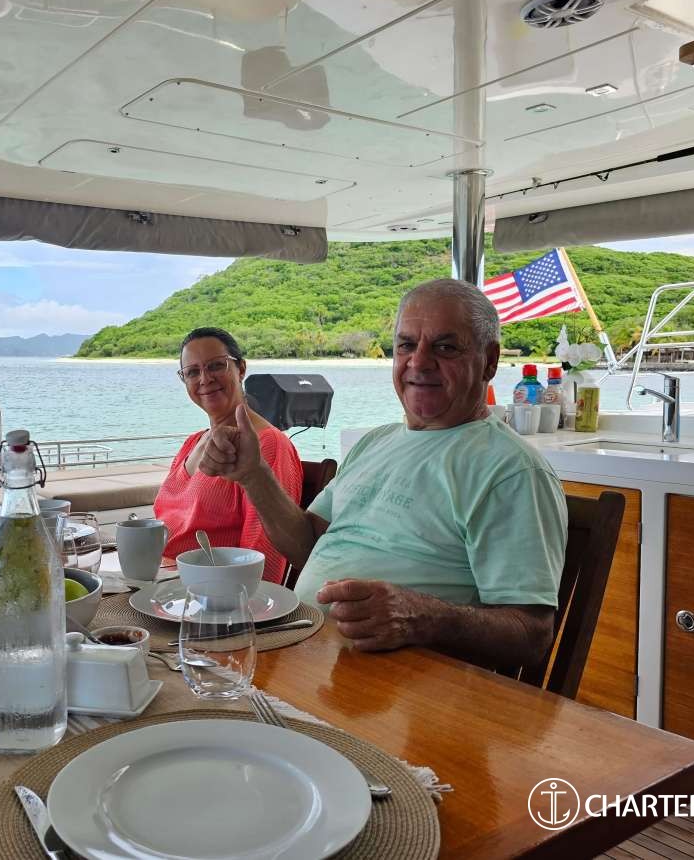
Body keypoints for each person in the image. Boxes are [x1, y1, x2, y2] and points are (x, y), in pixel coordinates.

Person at [196, 279, 567, 669]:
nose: (419, 362)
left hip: (398, 684)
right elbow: (307, 543)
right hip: (303, 651)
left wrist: (422, 617)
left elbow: (532, 635)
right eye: (406, 345)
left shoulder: (510, 469)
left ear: (489, 361)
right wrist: (253, 474)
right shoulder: (375, 442)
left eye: (445, 347)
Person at [153, 327, 303, 583]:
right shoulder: (192, 443)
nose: (205, 379)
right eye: (192, 372)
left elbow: (264, 564)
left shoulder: (267, 445)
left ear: (241, 369)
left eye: (216, 366)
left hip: (208, 592)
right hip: (158, 582)